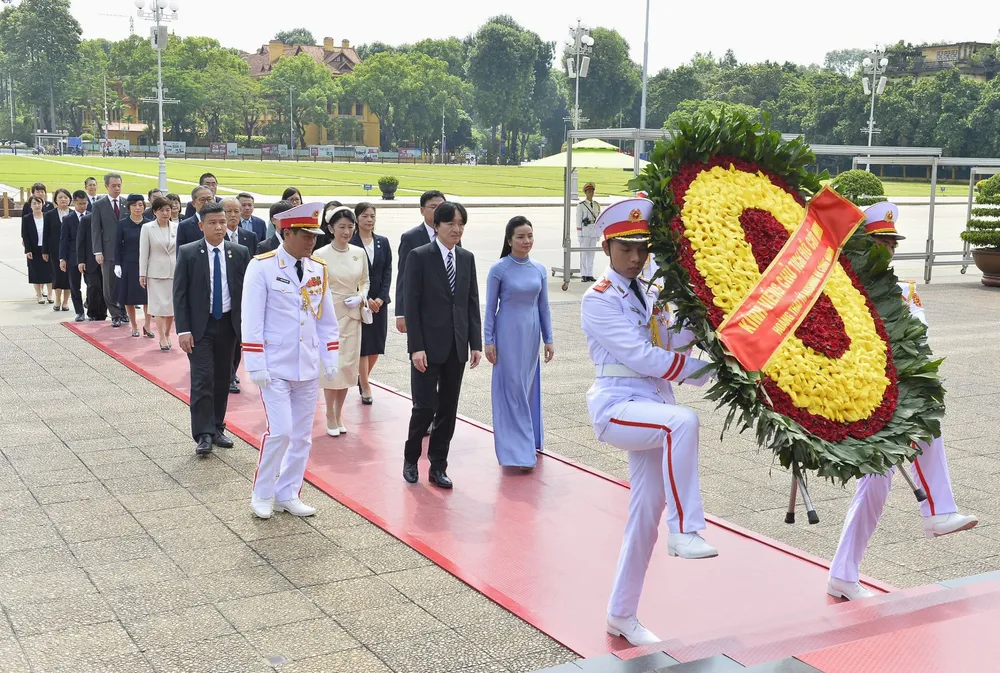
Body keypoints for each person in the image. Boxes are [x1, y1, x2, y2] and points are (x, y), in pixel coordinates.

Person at [581, 198, 717, 647]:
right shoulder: (597, 299)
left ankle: (621, 613)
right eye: (626, 249)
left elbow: (672, 339)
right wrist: (708, 373)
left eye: (642, 248)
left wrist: (704, 316)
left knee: (644, 516)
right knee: (682, 423)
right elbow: (642, 355)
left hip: (651, 405)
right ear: (607, 247)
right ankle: (687, 530)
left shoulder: (652, 292)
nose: (636, 258)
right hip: (617, 406)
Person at [827, 202, 978, 601]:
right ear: (860, 244)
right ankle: (938, 512)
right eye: (879, 242)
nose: (887, 250)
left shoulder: (905, 291)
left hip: (893, 393)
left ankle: (844, 573)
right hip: (857, 400)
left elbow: (920, 346)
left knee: (877, 481)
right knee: (917, 430)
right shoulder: (841, 290)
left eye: (891, 243)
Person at [242, 202, 339, 519]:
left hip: (307, 365)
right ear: (287, 233)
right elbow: (251, 319)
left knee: (301, 436)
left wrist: (331, 356)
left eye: (314, 235)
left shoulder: (318, 269)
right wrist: (255, 362)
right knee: (280, 431)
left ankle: (288, 493)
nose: (313, 241)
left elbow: (326, 320)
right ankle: (263, 492)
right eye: (306, 235)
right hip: (275, 365)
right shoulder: (262, 266)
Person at [402, 201, 482, 489]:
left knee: (448, 409)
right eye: (450, 223)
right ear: (436, 226)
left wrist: (475, 342)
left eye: (461, 224)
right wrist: (416, 347)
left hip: (456, 346)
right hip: (427, 346)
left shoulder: (467, 258)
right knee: (424, 407)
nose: (456, 229)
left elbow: (471, 302)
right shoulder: (419, 256)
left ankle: (438, 466)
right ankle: (411, 459)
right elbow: (412, 304)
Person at [173, 202, 250, 456]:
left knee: (223, 379)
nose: (219, 227)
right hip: (200, 327)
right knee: (202, 378)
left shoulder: (238, 252)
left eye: (222, 222)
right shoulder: (188, 252)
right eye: (213, 223)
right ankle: (203, 433)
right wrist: (183, 330)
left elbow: (247, 294)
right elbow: (180, 294)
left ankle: (218, 427)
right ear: (201, 226)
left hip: (228, 325)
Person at [484, 216, 554, 470]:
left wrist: (549, 339)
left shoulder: (539, 269)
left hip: (531, 334)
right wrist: (488, 341)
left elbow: (544, 306)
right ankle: (518, 453)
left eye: (530, 236)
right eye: (520, 237)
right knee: (512, 390)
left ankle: (530, 441)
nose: (526, 241)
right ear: (509, 240)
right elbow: (490, 308)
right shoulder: (499, 269)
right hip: (507, 334)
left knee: (526, 388)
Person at [315, 206, 368, 436]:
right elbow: (315, 286)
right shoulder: (320, 255)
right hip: (330, 316)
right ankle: (329, 413)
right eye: (342, 227)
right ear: (330, 228)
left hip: (353, 316)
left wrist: (361, 296)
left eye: (350, 227)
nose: (346, 231)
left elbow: (365, 281)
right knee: (331, 366)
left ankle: (340, 413)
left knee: (347, 367)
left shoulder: (358, 252)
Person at [350, 202, 392, 404]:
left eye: (372, 216)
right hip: (360, 301)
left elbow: (387, 272)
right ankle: (365, 384)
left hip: (379, 302)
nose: (369, 219)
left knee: (376, 345)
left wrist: (381, 298)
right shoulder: (351, 242)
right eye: (365, 216)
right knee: (364, 345)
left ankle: (362, 376)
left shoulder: (382, 242)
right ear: (357, 218)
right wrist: (364, 297)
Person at [222, 197, 259, 392]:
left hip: (243, 298)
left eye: (236, 211)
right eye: (229, 212)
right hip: (224, 298)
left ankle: (233, 371)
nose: (233, 215)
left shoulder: (249, 236)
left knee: (238, 341)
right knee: (226, 340)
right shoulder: (217, 236)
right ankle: (227, 376)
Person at [395, 190, 445, 335]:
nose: (438, 211)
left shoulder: (451, 234)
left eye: (441, 207)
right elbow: (403, 276)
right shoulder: (410, 238)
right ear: (422, 210)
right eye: (433, 206)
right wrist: (401, 313)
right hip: (420, 306)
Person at [139, 197, 177, 350]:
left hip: (174, 272)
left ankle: (167, 333)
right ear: (155, 212)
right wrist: (142, 273)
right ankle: (161, 336)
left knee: (171, 308)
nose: (165, 213)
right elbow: (144, 252)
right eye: (162, 210)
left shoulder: (176, 227)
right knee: (159, 307)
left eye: (168, 210)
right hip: (155, 273)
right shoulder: (147, 228)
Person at [90, 173, 127, 327]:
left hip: (126, 251)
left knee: (125, 283)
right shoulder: (99, 205)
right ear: (106, 186)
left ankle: (124, 311)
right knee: (109, 283)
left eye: (119, 185)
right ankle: (115, 314)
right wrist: (98, 251)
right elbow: (96, 229)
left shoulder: (126, 203)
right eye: (113, 186)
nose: (117, 188)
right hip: (108, 250)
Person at [115, 195, 151, 338]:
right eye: (134, 205)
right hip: (128, 264)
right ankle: (134, 325)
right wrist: (117, 264)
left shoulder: (149, 224)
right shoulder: (122, 224)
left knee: (148, 297)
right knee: (129, 297)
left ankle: (147, 325)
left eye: (141, 205)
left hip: (147, 265)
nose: (138, 208)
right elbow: (117, 245)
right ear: (129, 207)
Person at [59, 191, 89, 321]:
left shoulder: (91, 216)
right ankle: (79, 312)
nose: (83, 206)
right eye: (80, 204)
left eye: (85, 203)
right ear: (74, 203)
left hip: (88, 258)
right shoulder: (68, 219)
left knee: (92, 285)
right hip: (73, 257)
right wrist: (62, 258)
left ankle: (92, 309)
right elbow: (63, 240)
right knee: (74, 286)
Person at [43, 188, 73, 312]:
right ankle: (57, 299)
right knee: (57, 275)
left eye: (65, 197)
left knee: (69, 276)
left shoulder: (73, 214)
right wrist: (45, 251)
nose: (63, 199)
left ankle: (66, 301)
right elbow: (46, 234)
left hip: (71, 251)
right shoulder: (50, 215)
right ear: (55, 199)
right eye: (60, 197)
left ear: (70, 199)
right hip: (55, 250)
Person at [76, 200, 106, 322]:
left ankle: (102, 313)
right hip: (90, 261)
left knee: (105, 288)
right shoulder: (86, 220)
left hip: (106, 260)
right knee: (93, 286)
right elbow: (80, 242)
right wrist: (81, 261)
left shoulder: (108, 219)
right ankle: (92, 312)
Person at [21, 195, 53, 303]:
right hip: (34, 249)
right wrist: (28, 250)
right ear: (30, 205)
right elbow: (25, 235)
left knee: (49, 272)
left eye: (39, 203)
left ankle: (49, 294)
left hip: (46, 248)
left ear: (43, 204)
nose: (37, 206)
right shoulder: (27, 218)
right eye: (34, 203)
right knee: (35, 273)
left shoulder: (47, 216)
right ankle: (39, 295)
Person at [176, 186, 215, 253]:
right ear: (193, 203)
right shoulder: (185, 226)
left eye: (209, 199)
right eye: (202, 200)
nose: (206, 203)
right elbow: (180, 254)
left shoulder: (222, 223)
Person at [577, 182, 601, 282]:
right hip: (585, 231)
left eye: (592, 191)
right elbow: (579, 220)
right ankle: (583, 274)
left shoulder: (596, 205)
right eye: (589, 191)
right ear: (585, 193)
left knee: (592, 254)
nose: (591, 193)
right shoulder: (581, 205)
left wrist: (599, 232)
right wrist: (579, 234)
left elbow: (599, 219)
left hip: (594, 231)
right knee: (584, 254)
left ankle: (590, 274)